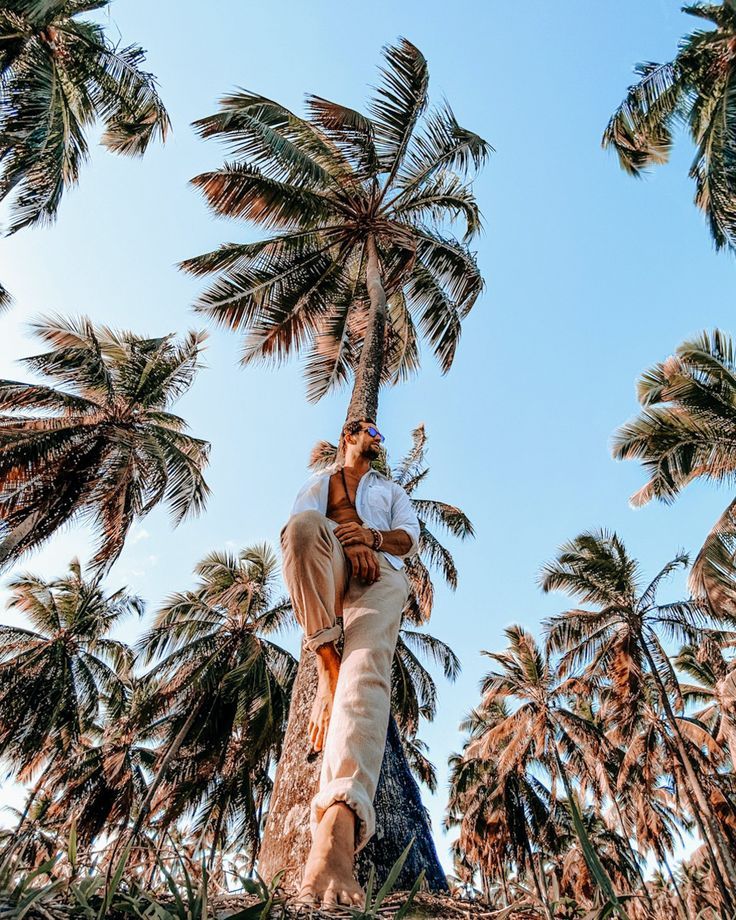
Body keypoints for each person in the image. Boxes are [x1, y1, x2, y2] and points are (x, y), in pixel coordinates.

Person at [280, 418, 420, 908]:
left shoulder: (391, 489)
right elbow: (302, 549)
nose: (379, 440)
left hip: (379, 576)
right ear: (350, 434)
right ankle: (324, 661)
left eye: (382, 436)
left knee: (366, 667)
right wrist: (348, 539)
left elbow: (409, 538)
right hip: (334, 567)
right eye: (372, 433)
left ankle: (336, 830)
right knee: (300, 531)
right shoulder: (318, 483)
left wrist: (370, 539)